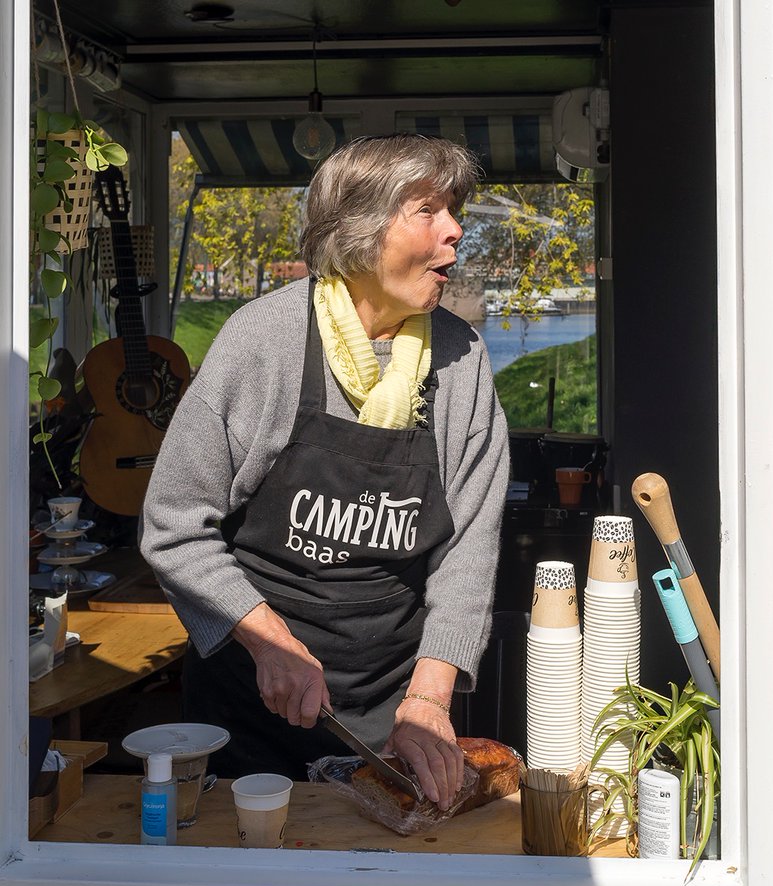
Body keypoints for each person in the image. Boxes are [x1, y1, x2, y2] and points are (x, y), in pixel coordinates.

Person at [140, 134, 509, 810]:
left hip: (388, 713)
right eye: (427, 209)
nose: (456, 229)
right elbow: (173, 526)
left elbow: (469, 549)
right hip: (247, 703)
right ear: (361, 230)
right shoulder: (263, 342)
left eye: (454, 209)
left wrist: (430, 695)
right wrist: (270, 642)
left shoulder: (462, 362)